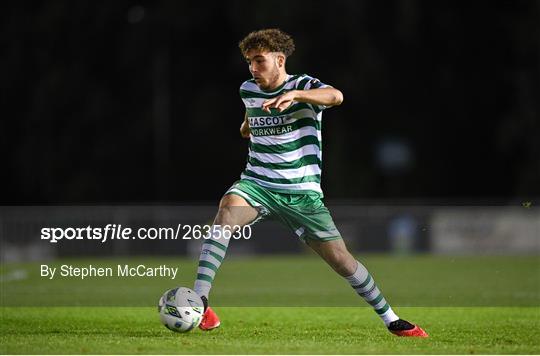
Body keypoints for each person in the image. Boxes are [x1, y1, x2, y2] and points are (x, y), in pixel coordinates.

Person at [193, 28, 428, 337]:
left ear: (279, 59)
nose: (253, 68)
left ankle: (391, 319)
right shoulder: (248, 89)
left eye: (259, 60)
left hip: (301, 194)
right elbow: (249, 122)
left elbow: (336, 96)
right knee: (226, 212)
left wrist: (296, 96)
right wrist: (248, 127)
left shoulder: (303, 85)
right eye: (249, 61)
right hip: (258, 184)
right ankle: (200, 301)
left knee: (342, 261)